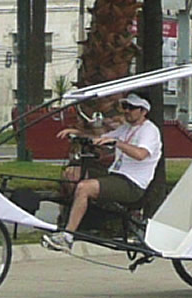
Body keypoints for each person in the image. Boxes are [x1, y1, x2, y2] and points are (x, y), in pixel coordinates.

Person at [41, 93, 163, 252]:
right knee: (75, 179)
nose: (127, 111)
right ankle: (73, 224)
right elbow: (100, 138)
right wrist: (77, 133)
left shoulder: (149, 131)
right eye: (125, 107)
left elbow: (141, 154)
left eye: (132, 108)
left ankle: (67, 236)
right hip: (116, 177)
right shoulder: (126, 128)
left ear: (143, 111)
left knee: (84, 188)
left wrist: (118, 144)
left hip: (132, 184)